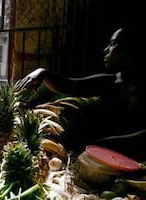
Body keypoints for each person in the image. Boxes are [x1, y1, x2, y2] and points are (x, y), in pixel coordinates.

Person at [15, 27, 146, 161]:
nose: (105, 50)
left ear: (130, 52)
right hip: (96, 153)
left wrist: (100, 144)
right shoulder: (110, 82)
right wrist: (42, 73)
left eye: (112, 44)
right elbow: (70, 85)